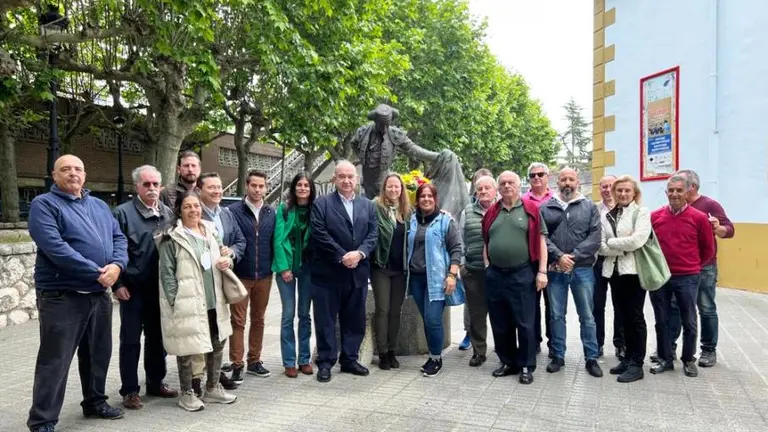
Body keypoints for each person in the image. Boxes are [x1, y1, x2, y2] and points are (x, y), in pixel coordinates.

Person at [27, 155, 129, 432]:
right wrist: (97, 271)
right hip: (62, 295)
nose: (73, 173)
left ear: (85, 175)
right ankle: (43, 420)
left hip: (98, 294)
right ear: (54, 175)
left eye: (78, 169)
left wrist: (118, 266)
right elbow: (55, 247)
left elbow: (119, 238)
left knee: (98, 354)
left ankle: (95, 402)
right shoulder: (44, 205)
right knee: (55, 361)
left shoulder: (98, 205)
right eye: (66, 169)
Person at [158, 191, 238, 411]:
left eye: (196, 205)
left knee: (217, 342)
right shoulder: (171, 237)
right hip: (188, 302)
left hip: (214, 299)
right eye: (187, 207)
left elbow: (223, 257)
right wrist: (175, 301)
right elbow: (166, 273)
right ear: (179, 211)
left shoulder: (210, 231)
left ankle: (212, 388)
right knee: (187, 348)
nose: (193, 210)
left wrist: (227, 261)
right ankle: (187, 393)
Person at [113, 165, 178, 410]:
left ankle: (155, 382)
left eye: (155, 184)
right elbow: (112, 250)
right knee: (130, 340)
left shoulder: (168, 213)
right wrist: (117, 284)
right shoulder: (122, 213)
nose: (151, 188)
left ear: (161, 186)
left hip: (159, 289)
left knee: (157, 339)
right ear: (136, 186)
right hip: (131, 289)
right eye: (146, 184)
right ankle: (130, 390)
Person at [309, 161, 378, 383]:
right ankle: (326, 362)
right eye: (342, 176)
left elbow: (373, 234)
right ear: (334, 179)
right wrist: (342, 255)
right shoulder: (321, 204)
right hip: (328, 274)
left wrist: (359, 254)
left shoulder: (367, 205)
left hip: (357, 273)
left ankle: (349, 359)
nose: (346, 181)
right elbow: (319, 234)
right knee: (326, 320)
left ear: (356, 179)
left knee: (354, 319)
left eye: (350, 176)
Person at [661, 169, 735, 368]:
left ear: (690, 187)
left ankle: (708, 350)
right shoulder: (668, 209)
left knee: (706, 308)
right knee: (677, 308)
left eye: (681, 185)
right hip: (680, 270)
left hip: (705, 266)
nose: (675, 191)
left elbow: (729, 230)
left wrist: (718, 229)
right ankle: (670, 348)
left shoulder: (709, 205)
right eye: (672, 188)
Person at [481, 171, 548, 385]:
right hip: (496, 274)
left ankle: (526, 365)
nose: (507, 186)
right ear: (498, 188)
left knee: (525, 322)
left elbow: (541, 242)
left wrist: (542, 271)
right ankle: (508, 361)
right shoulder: (492, 211)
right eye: (503, 183)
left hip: (522, 273)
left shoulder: (531, 210)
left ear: (519, 186)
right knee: (500, 322)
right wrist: (487, 266)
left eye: (511, 182)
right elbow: (486, 241)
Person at [649, 174, 715, 378]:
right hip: (661, 277)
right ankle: (665, 358)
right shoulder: (655, 216)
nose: (675, 194)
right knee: (661, 319)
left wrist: (693, 266)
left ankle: (688, 359)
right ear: (666, 192)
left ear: (687, 192)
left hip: (687, 277)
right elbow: (651, 246)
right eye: (671, 190)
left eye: (679, 190)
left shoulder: (699, 218)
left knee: (689, 320)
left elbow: (708, 249)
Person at [540, 167, 603, 378]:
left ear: (578, 183)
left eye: (571, 179)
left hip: (582, 269)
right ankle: (558, 355)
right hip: (555, 269)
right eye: (563, 179)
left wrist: (572, 256)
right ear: (557, 182)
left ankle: (591, 358)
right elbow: (542, 237)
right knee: (556, 314)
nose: (567, 183)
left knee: (587, 316)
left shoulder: (589, 207)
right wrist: (559, 256)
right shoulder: (547, 207)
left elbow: (595, 237)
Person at [196, 172, 246, 390]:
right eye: (211, 188)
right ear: (199, 190)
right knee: (202, 330)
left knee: (219, 330)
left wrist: (231, 253)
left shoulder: (225, 213)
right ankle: (197, 377)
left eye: (219, 187)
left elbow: (240, 240)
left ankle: (214, 376)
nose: (217, 191)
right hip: (201, 281)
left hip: (222, 281)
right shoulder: (194, 212)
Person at [408, 183, 463, 377]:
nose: (426, 199)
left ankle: (436, 358)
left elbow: (456, 248)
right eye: (422, 196)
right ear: (417, 200)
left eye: (430, 196)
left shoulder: (445, 221)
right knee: (427, 319)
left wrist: (452, 275)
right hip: (415, 279)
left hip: (437, 279)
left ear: (435, 199)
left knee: (433, 320)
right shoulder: (411, 220)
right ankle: (433, 355)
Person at [598, 175, 650, 383]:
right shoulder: (608, 214)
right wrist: (619, 246)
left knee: (635, 317)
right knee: (623, 317)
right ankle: (627, 358)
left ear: (634, 193)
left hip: (634, 273)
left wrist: (612, 244)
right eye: (619, 190)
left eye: (627, 190)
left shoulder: (641, 212)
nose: (622, 194)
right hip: (614, 272)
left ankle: (637, 364)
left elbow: (637, 241)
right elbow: (600, 245)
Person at [226, 169, 277, 383]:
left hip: (264, 275)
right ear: (246, 186)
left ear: (266, 188)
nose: (257, 189)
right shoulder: (232, 211)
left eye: (261, 186)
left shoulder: (271, 212)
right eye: (253, 185)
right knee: (238, 321)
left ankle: (254, 360)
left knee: (259, 319)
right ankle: (237, 364)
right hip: (240, 274)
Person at [272, 173, 317, 377]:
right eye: (299, 185)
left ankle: (304, 359)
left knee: (305, 314)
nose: (302, 188)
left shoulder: (315, 210)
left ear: (311, 189)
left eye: (306, 185)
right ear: (294, 188)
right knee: (288, 314)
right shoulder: (284, 209)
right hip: (287, 267)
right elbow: (278, 239)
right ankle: (289, 361)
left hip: (308, 267)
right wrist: (283, 268)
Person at [371, 173, 411, 370]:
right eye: (390, 187)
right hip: (381, 267)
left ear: (401, 189)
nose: (393, 190)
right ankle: (383, 353)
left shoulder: (406, 211)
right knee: (383, 310)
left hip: (400, 269)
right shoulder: (375, 207)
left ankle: (393, 350)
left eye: (397, 187)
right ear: (384, 188)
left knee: (396, 311)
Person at [458, 172, 497, 365]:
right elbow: (460, 239)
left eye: (487, 188)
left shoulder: (501, 210)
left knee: (500, 312)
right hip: (474, 271)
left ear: (495, 190)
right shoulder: (467, 212)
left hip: (499, 272)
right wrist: (463, 265)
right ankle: (479, 351)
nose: (483, 191)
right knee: (477, 314)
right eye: (479, 188)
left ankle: (503, 349)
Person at [522, 162, 554, 355]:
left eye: (540, 174)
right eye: (532, 175)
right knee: (531, 305)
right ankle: (534, 342)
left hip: (553, 261)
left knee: (553, 307)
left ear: (547, 176)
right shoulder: (523, 201)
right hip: (531, 260)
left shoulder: (556, 200)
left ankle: (553, 344)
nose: (536, 178)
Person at [595, 174, 625, 360]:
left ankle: (620, 344)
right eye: (603, 186)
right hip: (597, 263)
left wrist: (612, 246)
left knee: (620, 306)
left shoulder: (626, 209)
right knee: (596, 306)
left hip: (619, 265)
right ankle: (597, 344)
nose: (607, 189)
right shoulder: (593, 209)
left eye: (610, 186)